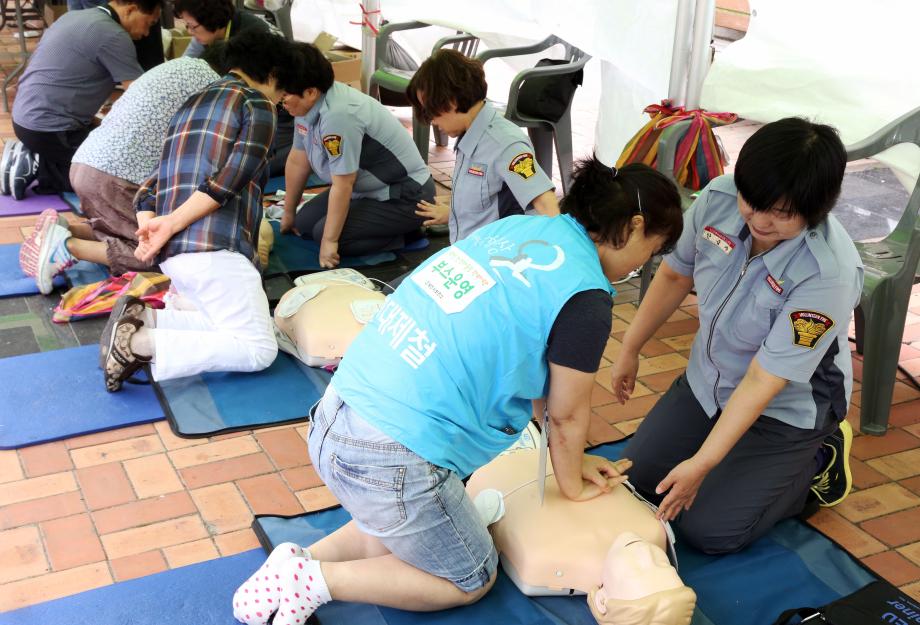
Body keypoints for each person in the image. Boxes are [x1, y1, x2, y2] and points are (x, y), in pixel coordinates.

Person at [230, 158, 684, 625]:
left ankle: (295, 561)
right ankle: (318, 582)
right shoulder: (587, 297)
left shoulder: (517, 228)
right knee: (471, 575)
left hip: (336, 414)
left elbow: (539, 381)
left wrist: (573, 459)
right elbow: (567, 415)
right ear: (634, 227)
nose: (645, 263)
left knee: (394, 522)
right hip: (390, 455)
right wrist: (570, 483)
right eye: (653, 249)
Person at [610, 118, 863, 554]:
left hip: (786, 409)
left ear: (816, 209)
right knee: (640, 482)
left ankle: (818, 460)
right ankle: (730, 454)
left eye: (781, 214)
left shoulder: (829, 272)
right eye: (753, 201)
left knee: (708, 529)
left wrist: (704, 463)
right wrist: (630, 348)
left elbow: (765, 379)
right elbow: (673, 274)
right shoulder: (719, 198)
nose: (760, 220)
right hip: (709, 382)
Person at [96, 31, 291, 391]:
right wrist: (168, 225)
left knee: (221, 324)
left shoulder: (191, 105)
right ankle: (138, 345)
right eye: (282, 92)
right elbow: (230, 180)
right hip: (215, 249)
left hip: (178, 259)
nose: (281, 101)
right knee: (259, 348)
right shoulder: (257, 104)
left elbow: (147, 190)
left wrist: (153, 229)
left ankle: (146, 321)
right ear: (273, 72)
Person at [21, 54, 223, 292]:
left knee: (134, 227)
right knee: (169, 258)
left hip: (87, 162)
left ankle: (68, 229)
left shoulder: (185, 65)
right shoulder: (220, 89)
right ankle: (69, 246)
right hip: (114, 176)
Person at [279, 42, 435, 268]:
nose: (281, 103)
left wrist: (330, 242)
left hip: (406, 195)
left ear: (311, 92)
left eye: (285, 97)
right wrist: (288, 212)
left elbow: (344, 184)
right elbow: (297, 160)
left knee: (326, 235)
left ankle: (407, 234)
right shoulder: (304, 106)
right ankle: (380, 226)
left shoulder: (339, 115)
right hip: (365, 191)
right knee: (303, 224)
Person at [10, 0, 163, 195]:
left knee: (102, 146)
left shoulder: (74, 16)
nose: (147, 33)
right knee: (112, 181)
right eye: (149, 23)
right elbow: (142, 94)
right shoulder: (114, 35)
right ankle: (36, 162)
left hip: (26, 118)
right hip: (50, 129)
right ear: (131, 9)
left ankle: (42, 160)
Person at [407, 49, 560, 243]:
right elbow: (487, 203)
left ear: (451, 102)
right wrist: (455, 214)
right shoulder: (470, 135)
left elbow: (547, 205)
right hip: (467, 253)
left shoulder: (506, 145)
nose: (432, 122)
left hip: (493, 260)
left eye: (430, 112)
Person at [174, 0, 293, 176]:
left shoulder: (251, 37)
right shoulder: (209, 32)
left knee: (251, 167)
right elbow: (183, 67)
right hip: (247, 109)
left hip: (282, 110)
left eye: (192, 26)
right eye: (187, 26)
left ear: (211, 19)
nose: (189, 32)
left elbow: (261, 96)